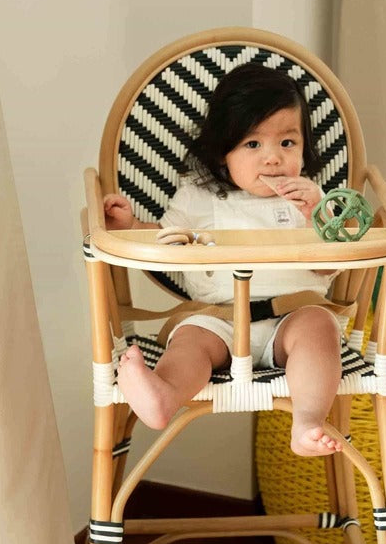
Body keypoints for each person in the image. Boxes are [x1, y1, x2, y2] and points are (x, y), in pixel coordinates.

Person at [102, 63, 343, 457]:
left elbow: (329, 265)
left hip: (291, 317)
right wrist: (128, 225)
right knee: (189, 345)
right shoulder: (199, 195)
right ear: (223, 151)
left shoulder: (310, 199)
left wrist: (316, 216)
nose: (272, 159)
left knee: (320, 329)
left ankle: (308, 420)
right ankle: (162, 396)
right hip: (218, 317)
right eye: (253, 145)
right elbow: (166, 242)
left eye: (287, 143)